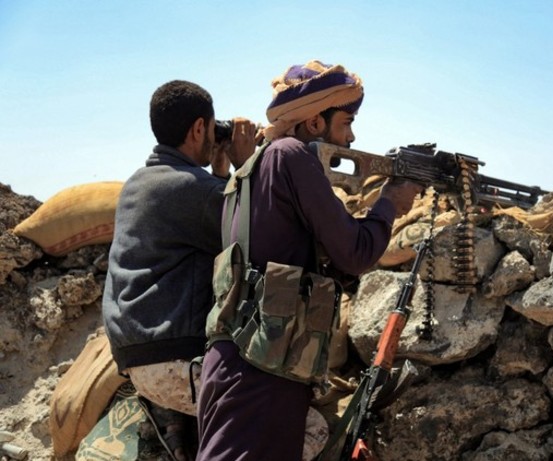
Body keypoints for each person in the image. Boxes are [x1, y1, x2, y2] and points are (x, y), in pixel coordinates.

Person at [197, 60, 422, 460]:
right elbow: (356, 252)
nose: (351, 136)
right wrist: (390, 203)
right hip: (260, 372)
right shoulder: (291, 156)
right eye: (346, 122)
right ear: (315, 122)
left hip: (239, 361)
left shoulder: (250, 169)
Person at [102, 80, 257, 460]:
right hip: (177, 362)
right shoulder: (193, 189)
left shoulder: (139, 183)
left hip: (136, 357)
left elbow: (209, 216)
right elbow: (253, 230)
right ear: (199, 128)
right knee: (309, 427)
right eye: (212, 128)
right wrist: (245, 163)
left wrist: (218, 171)